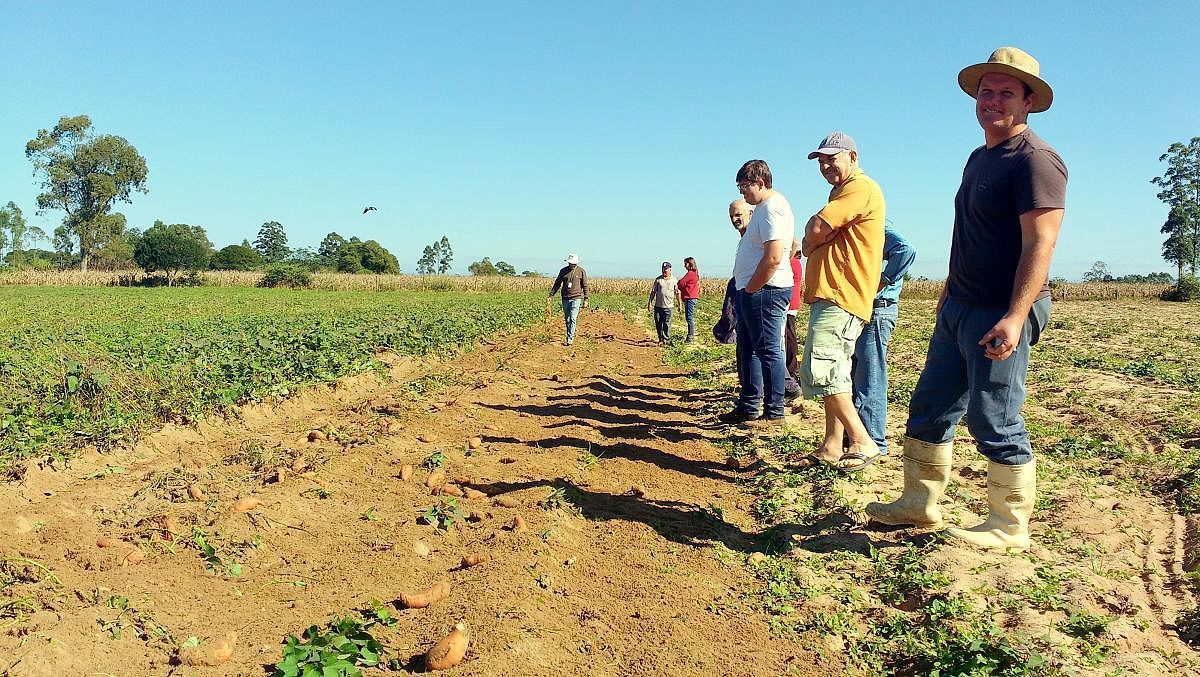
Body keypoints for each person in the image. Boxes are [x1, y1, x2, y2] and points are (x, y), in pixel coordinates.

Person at [866, 47, 1066, 552]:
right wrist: (949, 293)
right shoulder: (980, 158)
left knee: (992, 414)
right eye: (986, 91)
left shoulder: (1035, 161)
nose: (992, 100)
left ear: (1027, 102)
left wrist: (1016, 316)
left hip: (1001, 308)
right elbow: (968, 234)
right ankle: (919, 502)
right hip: (960, 305)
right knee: (931, 406)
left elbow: (1041, 243)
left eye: (1005, 92)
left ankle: (1009, 522)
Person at [798, 132, 885, 471]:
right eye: (821, 160)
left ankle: (862, 440)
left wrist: (813, 239)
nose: (825, 165)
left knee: (822, 370)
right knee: (835, 371)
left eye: (831, 158)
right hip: (834, 295)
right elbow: (819, 230)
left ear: (852, 156)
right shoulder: (843, 192)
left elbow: (817, 227)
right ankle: (832, 445)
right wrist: (816, 236)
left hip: (841, 294)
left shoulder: (859, 188)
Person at [718, 160, 795, 427]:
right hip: (752, 290)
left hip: (766, 291)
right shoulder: (762, 208)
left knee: (768, 351)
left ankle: (774, 413)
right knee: (749, 349)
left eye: (745, 187)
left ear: (760, 182)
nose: (743, 193)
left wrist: (752, 288)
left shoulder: (774, 209)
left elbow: (773, 257)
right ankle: (749, 406)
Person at [851, 225, 916, 456]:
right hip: (864, 308)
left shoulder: (877, 224)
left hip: (878, 309)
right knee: (858, 373)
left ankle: (875, 442)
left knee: (871, 376)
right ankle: (858, 437)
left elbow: (906, 251)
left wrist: (882, 280)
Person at [548, 253, 589, 346]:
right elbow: (557, 283)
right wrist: (551, 295)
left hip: (576, 297)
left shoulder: (581, 271)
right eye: (570, 263)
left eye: (574, 263)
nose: (572, 264)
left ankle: (570, 338)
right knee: (567, 319)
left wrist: (586, 299)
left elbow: (585, 286)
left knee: (573, 318)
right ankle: (568, 334)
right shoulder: (563, 271)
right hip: (565, 298)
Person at [783, 241, 803, 400]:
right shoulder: (795, 263)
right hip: (790, 304)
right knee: (788, 338)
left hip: (789, 305)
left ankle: (791, 370)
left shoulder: (793, 263)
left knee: (789, 339)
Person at [647, 261, 680, 344]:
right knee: (658, 324)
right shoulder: (658, 280)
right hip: (658, 306)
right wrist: (649, 303)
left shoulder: (674, 280)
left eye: (666, 269)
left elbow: (677, 292)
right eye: (663, 269)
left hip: (669, 306)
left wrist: (680, 304)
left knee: (667, 324)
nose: (664, 270)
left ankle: (666, 339)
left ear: (670, 269)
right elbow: (653, 292)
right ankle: (660, 339)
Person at [677, 257, 700, 343]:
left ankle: (690, 337)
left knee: (689, 318)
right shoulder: (694, 273)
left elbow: (681, 283)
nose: (684, 265)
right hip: (691, 297)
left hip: (690, 297)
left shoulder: (690, 274)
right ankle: (690, 336)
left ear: (689, 264)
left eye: (685, 263)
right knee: (689, 317)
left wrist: (678, 283)